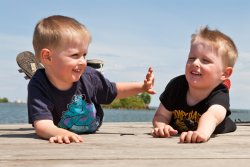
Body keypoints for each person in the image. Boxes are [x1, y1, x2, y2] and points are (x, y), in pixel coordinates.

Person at [28, 15, 156, 144]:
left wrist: (142, 87)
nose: (83, 61)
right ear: (47, 56)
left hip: (92, 123)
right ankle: (49, 73)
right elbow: (42, 125)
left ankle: (63, 73)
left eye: (84, 55)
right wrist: (58, 132)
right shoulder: (38, 84)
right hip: (59, 127)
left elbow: (114, 90)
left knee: (93, 79)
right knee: (44, 86)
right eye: (75, 55)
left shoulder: (89, 76)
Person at [151, 26, 238, 143]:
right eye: (191, 58)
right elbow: (161, 115)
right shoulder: (176, 86)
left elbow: (212, 116)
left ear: (225, 73)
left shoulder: (220, 93)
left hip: (218, 128)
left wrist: (202, 132)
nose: (195, 63)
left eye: (205, 60)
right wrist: (162, 126)